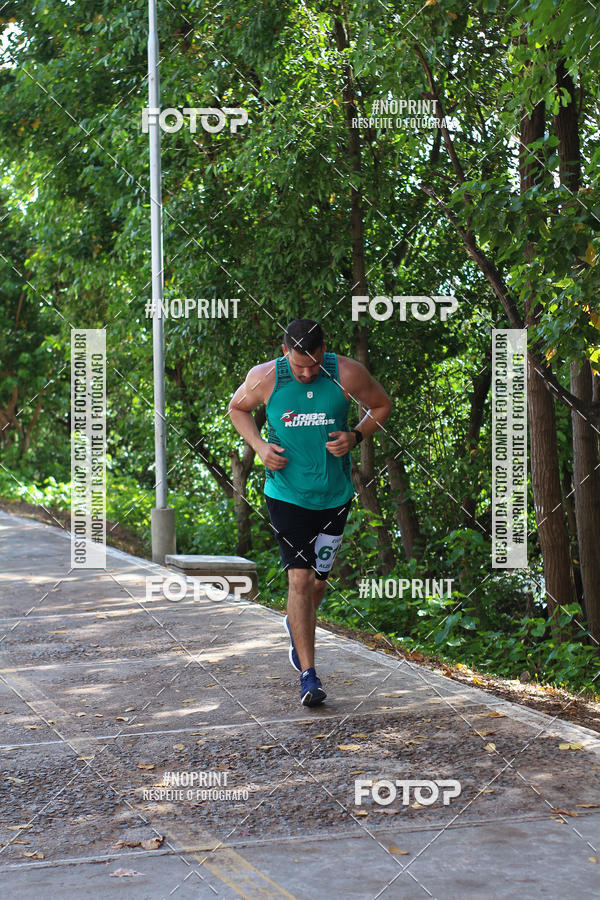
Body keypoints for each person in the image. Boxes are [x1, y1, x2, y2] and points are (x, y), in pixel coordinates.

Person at [228, 319, 392, 706]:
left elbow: (381, 405)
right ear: (285, 351)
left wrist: (356, 436)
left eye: (314, 364)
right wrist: (259, 445)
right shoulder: (265, 377)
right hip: (286, 496)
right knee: (299, 581)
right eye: (299, 365)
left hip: (334, 496)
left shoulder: (347, 372)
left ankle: (295, 622)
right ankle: (309, 676)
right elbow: (237, 408)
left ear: (323, 351)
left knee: (317, 585)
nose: (306, 372)